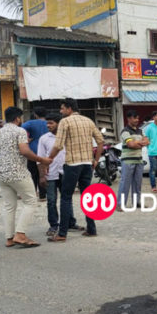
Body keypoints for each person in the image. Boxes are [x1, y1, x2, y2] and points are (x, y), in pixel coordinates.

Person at [0, 106, 51, 248]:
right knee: (31, 201)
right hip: (18, 173)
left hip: (1, 175)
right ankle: (21, 234)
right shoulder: (20, 131)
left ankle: (9, 238)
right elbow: (24, 151)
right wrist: (42, 160)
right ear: (18, 118)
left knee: (9, 206)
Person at [47, 98, 104, 242]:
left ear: (69, 109)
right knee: (87, 197)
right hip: (87, 164)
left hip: (72, 164)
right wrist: (95, 160)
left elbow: (58, 145)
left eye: (62, 108)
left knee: (66, 198)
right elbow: (101, 141)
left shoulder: (65, 122)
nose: (61, 111)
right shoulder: (88, 121)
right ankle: (91, 229)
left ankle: (62, 234)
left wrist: (49, 159)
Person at [37, 113, 83, 236]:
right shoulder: (44, 139)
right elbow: (40, 158)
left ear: (59, 123)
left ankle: (70, 223)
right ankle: (53, 225)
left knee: (67, 199)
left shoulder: (68, 137)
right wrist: (41, 176)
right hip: (50, 174)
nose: (48, 125)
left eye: (51, 123)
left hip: (66, 172)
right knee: (51, 200)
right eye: (47, 123)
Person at [117, 110, 149, 209]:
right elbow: (130, 145)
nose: (137, 120)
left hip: (139, 160)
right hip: (128, 161)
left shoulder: (140, 130)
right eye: (135, 118)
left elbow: (147, 141)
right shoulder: (125, 131)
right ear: (129, 119)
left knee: (137, 183)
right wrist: (140, 143)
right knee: (125, 183)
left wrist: (137, 143)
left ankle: (136, 202)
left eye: (137, 118)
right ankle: (120, 204)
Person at [23, 107, 49, 201]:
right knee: (44, 173)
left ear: (35, 115)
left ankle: (33, 194)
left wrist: (26, 139)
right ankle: (43, 195)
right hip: (47, 152)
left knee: (33, 174)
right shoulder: (49, 123)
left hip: (33, 152)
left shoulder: (31, 123)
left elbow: (20, 128)